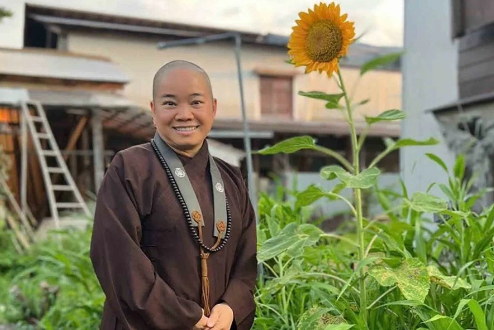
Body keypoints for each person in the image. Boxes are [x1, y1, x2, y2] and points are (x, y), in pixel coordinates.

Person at [90, 60, 257, 330]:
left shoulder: (231, 178)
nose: (184, 114)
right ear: (153, 111)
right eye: (170, 104)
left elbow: (246, 259)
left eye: (196, 103)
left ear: (213, 109)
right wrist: (181, 317)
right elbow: (119, 260)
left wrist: (230, 307)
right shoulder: (131, 169)